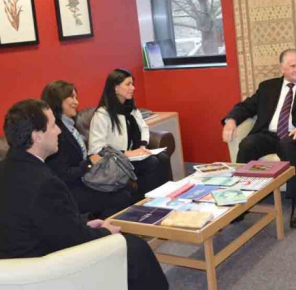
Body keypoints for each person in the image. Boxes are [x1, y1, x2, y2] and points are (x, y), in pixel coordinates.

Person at [0, 99, 169, 290]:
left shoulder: (9, 168)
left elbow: (49, 222)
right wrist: (105, 232)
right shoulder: (44, 183)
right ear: (37, 135)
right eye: (53, 125)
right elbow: (71, 238)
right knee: (134, 248)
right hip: (43, 270)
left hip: (12, 269)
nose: (59, 131)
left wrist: (83, 223)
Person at [222, 49, 296, 228]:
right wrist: (231, 120)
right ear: (281, 68)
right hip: (268, 134)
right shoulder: (268, 86)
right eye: (293, 66)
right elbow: (246, 106)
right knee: (247, 144)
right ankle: (240, 200)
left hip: (294, 135)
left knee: (287, 145)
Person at [42, 81, 132, 219]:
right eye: (71, 97)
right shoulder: (56, 132)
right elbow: (63, 174)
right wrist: (89, 163)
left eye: (76, 97)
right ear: (58, 100)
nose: (76, 102)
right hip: (70, 191)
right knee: (121, 197)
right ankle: (101, 234)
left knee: (123, 186)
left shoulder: (70, 125)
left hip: (83, 180)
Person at [89, 69, 170, 202]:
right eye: (128, 84)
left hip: (135, 156)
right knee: (152, 162)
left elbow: (143, 127)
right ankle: (146, 203)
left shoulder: (130, 108)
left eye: (132, 84)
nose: (133, 88)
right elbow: (96, 149)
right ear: (115, 87)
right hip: (116, 161)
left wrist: (143, 146)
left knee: (163, 158)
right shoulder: (102, 115)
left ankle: (164, 200)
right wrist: (127, 153)